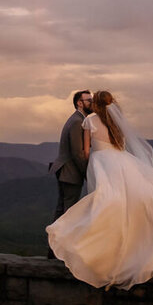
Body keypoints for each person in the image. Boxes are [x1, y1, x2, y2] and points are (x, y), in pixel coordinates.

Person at [46, 90, 153, 290]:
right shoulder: (114, 120)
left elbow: (84, 151)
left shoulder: (90, 120)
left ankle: (89, 251)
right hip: (119, 162)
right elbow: (120, 144)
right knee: (122, 202)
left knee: (103, 203)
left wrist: (90, 160)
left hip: (101, 162)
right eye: (88, 100)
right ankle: (123, 250)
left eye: (93, 100)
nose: (90, 103)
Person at [49, 89, 92, 222]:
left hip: (66, 171)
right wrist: (87, 173)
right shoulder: (77, 121)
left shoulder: (77, 119)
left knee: (62, 209)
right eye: (89, 101)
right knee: (68, 210)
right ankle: (61, 240)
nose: (92, 103)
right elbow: (77, 152)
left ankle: (55, 240)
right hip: (70, 172)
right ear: (79, 103)